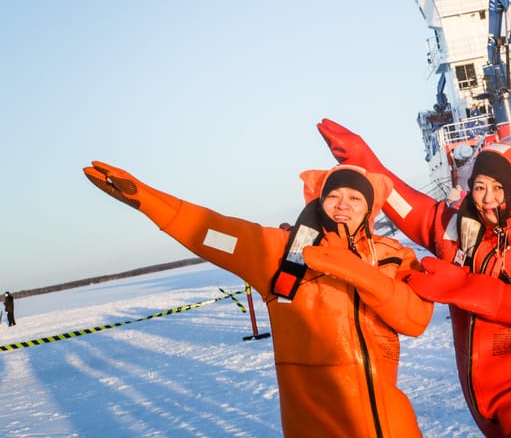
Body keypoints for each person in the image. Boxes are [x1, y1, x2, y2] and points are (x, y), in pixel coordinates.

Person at [84, 161, 433, 438]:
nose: (343, 204)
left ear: (370, 207)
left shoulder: (393, 256)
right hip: (316, 421)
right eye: (334, 195)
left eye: (355, 198)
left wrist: (358, 272)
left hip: (387, 416)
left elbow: (415, 320)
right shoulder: (286, 253)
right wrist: (148, 200)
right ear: (319, 201)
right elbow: (211, 231)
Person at [317, 119, 511, 438]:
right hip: (479, 395)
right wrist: (362, 158)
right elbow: (406, 205)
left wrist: (467, 288)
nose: (487, 198)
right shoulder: (456, 231)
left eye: (498, 188)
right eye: (479, 186)